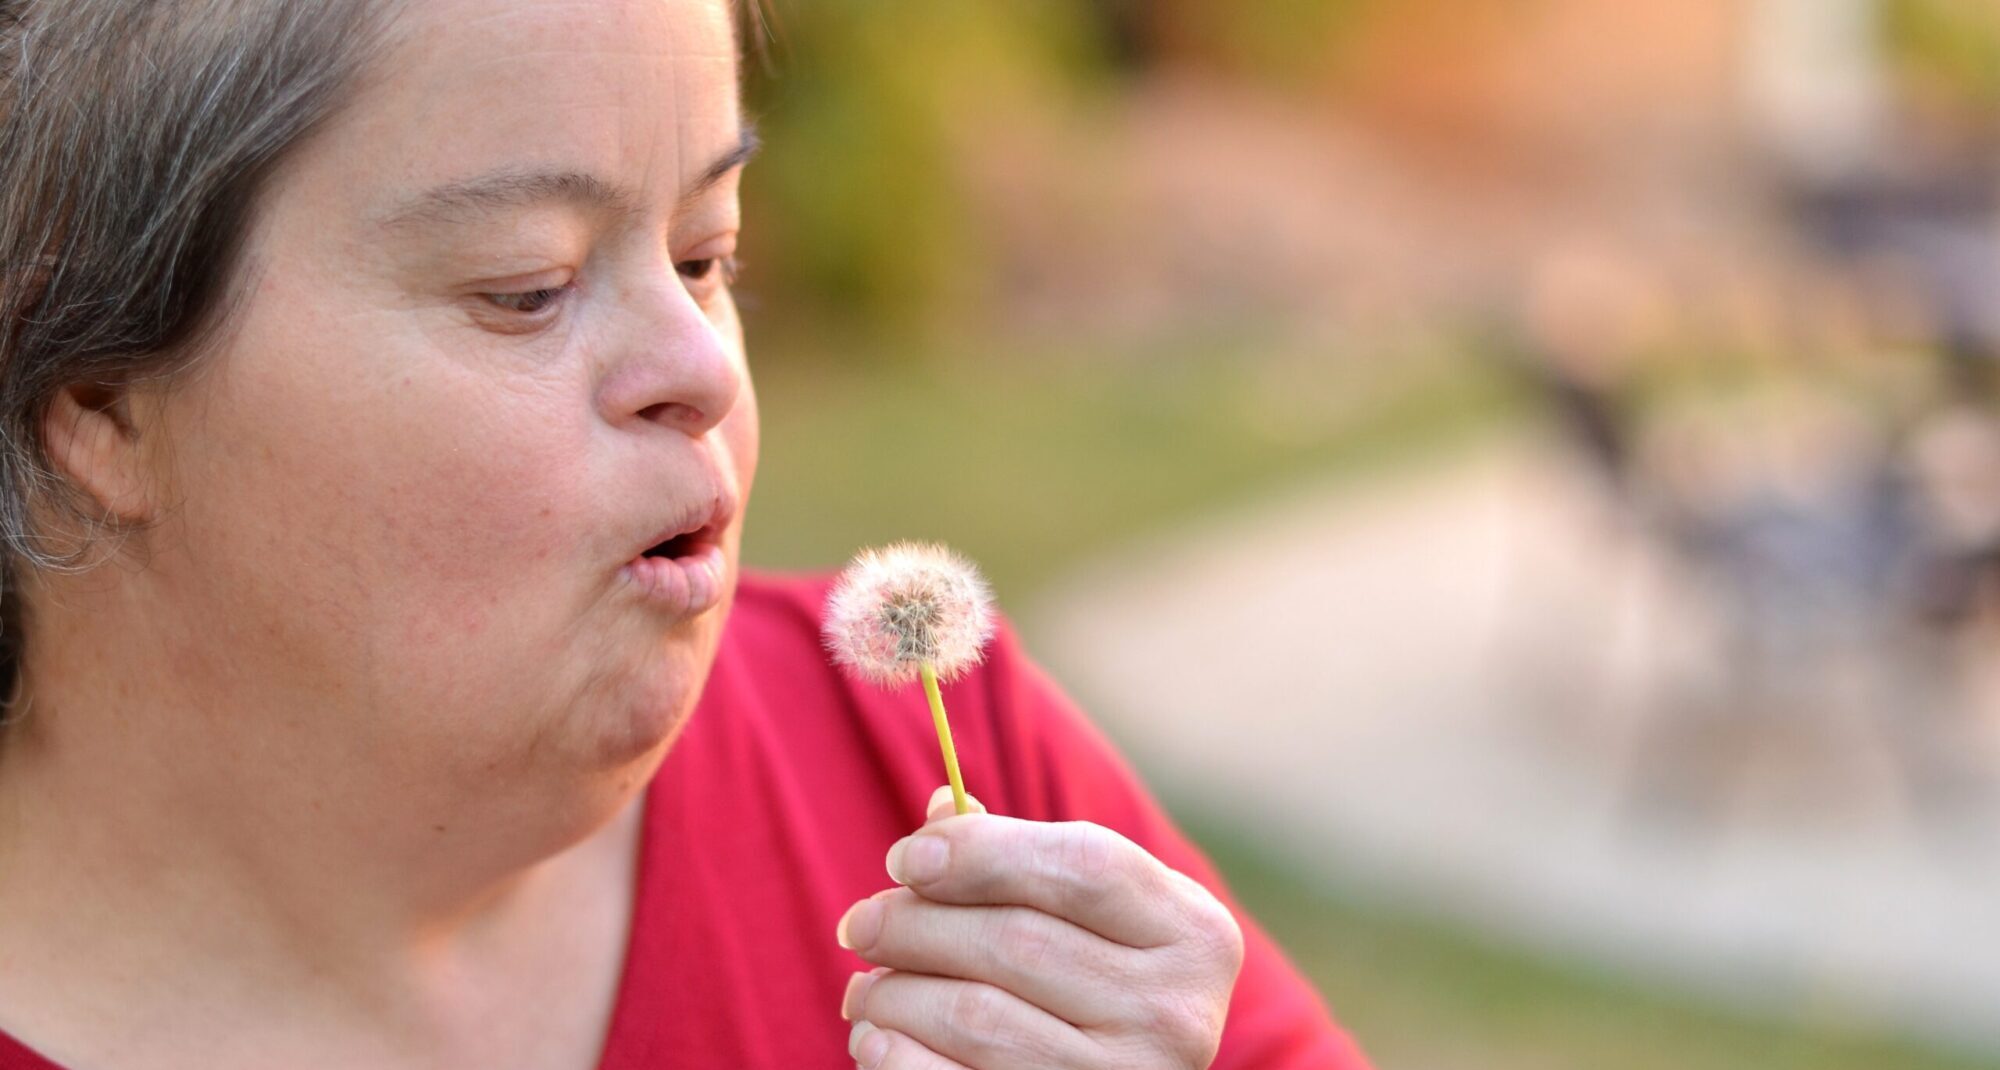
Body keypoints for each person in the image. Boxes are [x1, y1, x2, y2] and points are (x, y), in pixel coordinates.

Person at [0, 2, 1372, 1067]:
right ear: (99, 399)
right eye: (529, 286)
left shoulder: (929, 757)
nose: (701, 363)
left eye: (705, 253)